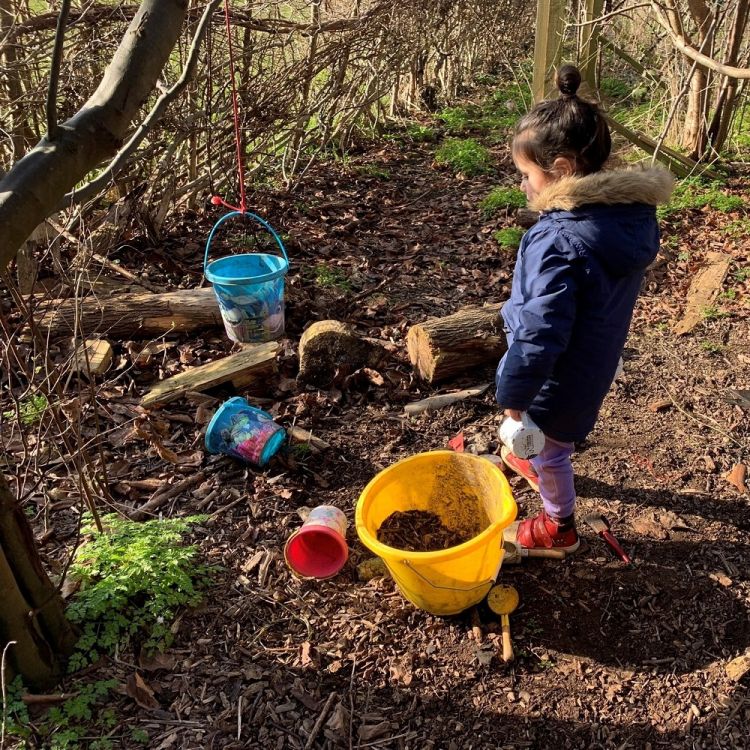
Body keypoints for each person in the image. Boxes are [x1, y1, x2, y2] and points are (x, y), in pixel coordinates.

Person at [496, 64, 674, 552]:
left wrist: (513, 399)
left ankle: (560, 527)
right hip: (593, 361)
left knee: (550, 448)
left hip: (559, 376)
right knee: (549, 435)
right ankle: (533, 454)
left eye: (526, 174)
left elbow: (539, 335)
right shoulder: (625, 219)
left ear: (563, 169)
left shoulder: (556, 239)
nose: (523, 186)